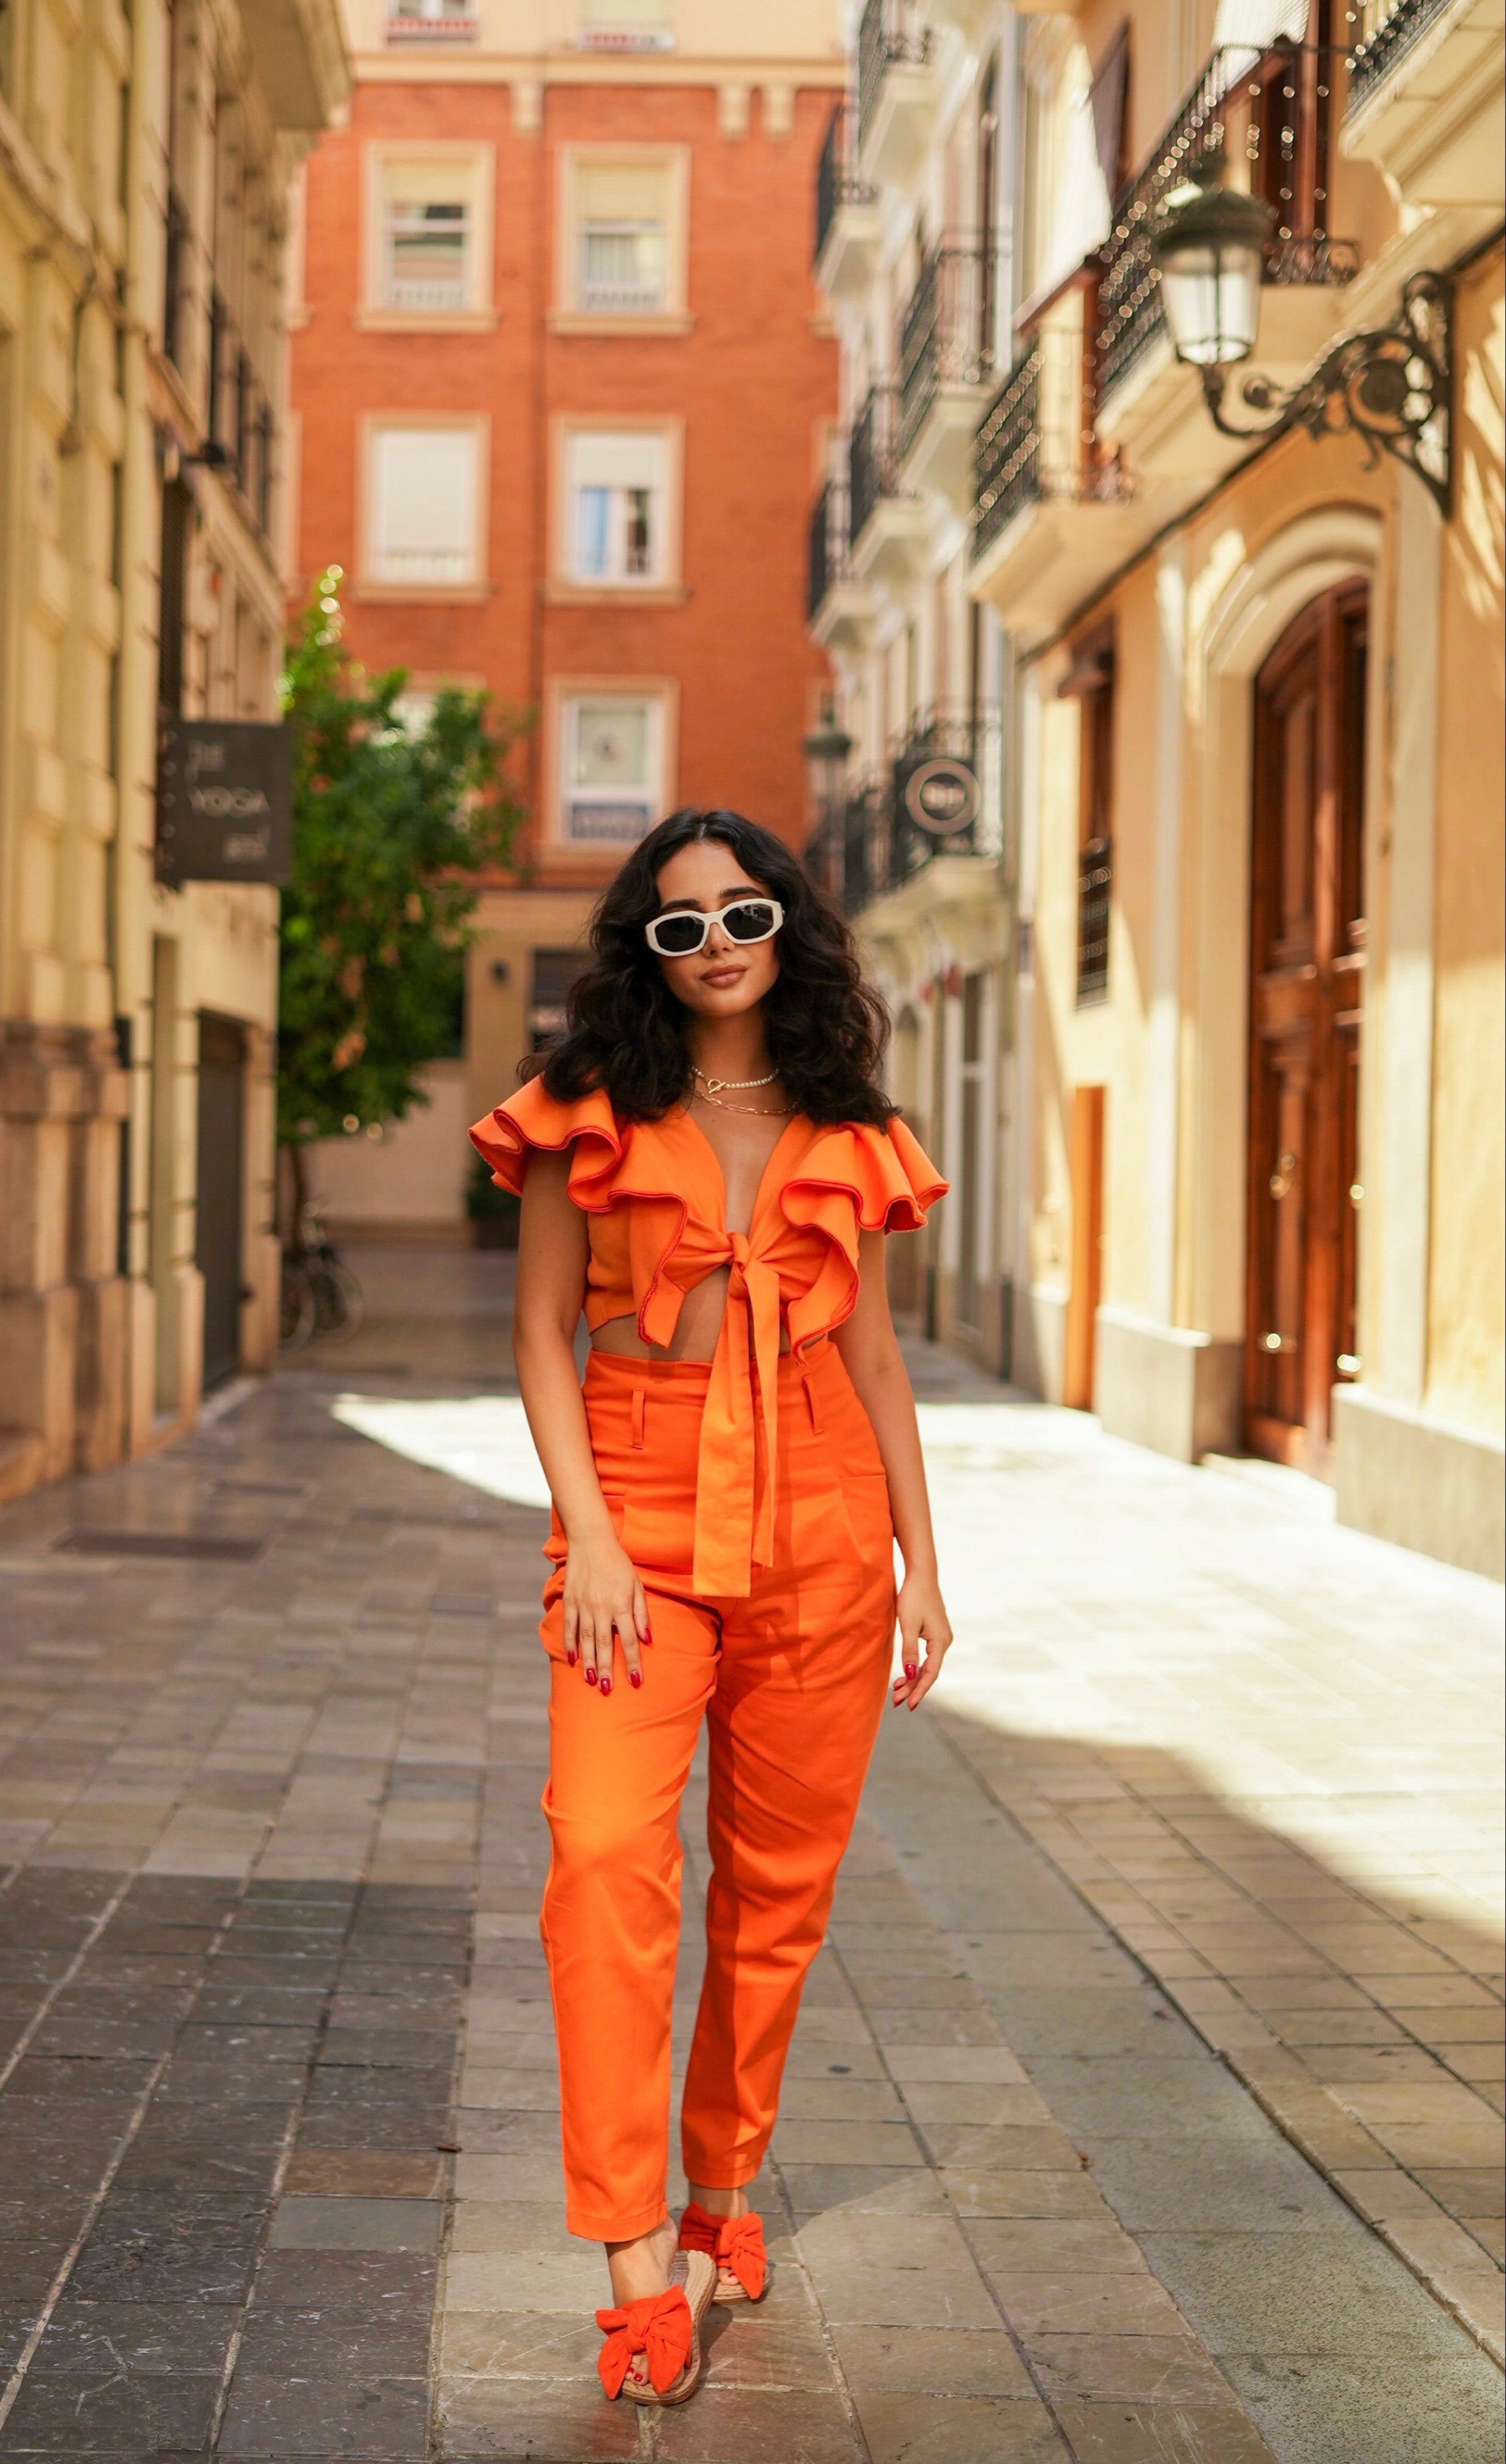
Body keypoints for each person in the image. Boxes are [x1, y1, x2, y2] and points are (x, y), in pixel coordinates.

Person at [469, 807, 954, 2407]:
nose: (715, 943)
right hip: (639, 1506)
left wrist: (921, 1566)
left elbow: (872, 1355)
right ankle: (631, 2261)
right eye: (677, 925)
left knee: (775, 1889)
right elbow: (544, 1333)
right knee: (604, 1856)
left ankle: (723, 2188)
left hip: (823, 1507)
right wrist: (588, 1538)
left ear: (784, 921)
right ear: (645, 954)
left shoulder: (840, 1111)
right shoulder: (586, 1109)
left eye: (739, 911)